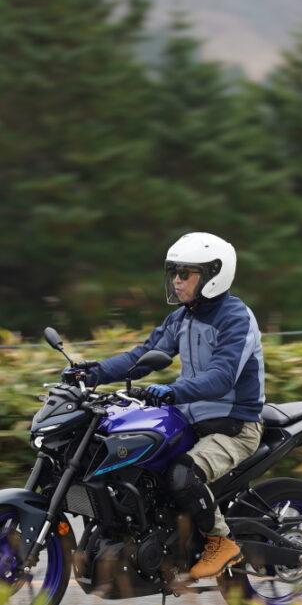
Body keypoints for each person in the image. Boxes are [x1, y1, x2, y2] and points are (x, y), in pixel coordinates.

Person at [67, 232, 265, 581]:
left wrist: (173, 391)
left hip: (234, 426)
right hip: (191, 420)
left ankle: (221, 541)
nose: (176, 280)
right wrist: (92, 373)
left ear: (213, 275)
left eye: (185, 273)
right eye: (174, 272)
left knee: (181, 475)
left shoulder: (236, 318)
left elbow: (222, 377)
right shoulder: (182, 318)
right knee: (141, 466)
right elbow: (141, 356)